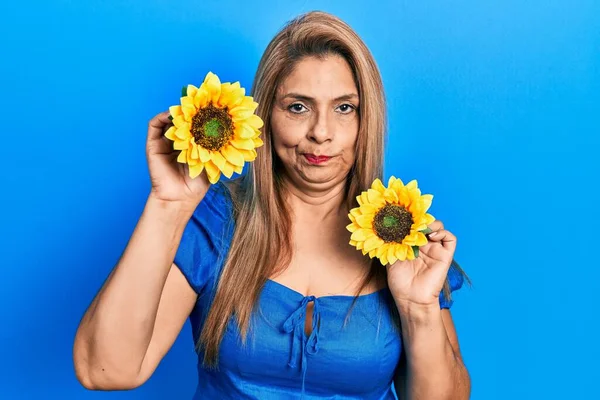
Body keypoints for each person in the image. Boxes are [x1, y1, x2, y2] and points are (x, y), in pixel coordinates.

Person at [73, 11, 471, 400]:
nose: (321, 133)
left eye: (343, 108)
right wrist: (168, 205)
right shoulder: (216, 223)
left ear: (367, 120)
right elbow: (103, 370)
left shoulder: (402, 235)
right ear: (265, 116)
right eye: (298, 107)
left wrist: (419, 308)